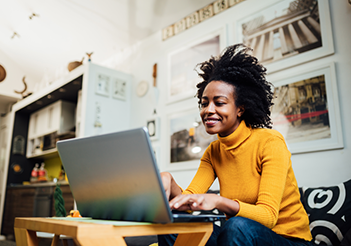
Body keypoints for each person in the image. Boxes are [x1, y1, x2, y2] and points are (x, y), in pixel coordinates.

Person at [159, 44, 314, 246]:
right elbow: (187, 205)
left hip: (290, 240)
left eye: (219, 102)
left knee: (236, 226)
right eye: (204, 103)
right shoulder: (213, 152)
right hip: (239, 238)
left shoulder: (270, 142)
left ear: (240, 109)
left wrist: (218, 201)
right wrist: (170, 185)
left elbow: (268, 216)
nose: (208, 110)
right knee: (174, 225)